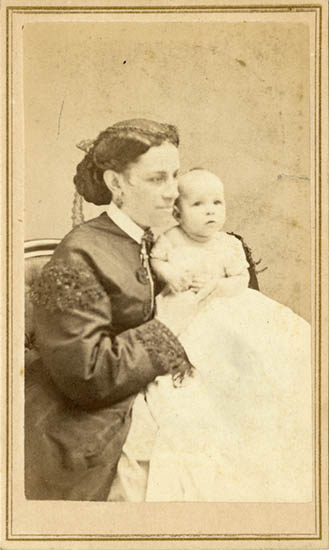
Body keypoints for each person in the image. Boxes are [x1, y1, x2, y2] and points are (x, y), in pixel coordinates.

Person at [25, 119, 213, 501]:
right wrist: (166, 327)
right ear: (116, 184)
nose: (173, 192)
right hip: (80, 419)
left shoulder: (141, 238)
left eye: (175, 176)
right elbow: (86, 375)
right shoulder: (78, 254)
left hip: (136, 385)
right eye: (156, 179)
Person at [111, 168, 312, 502]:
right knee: (195, 367)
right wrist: (171, 274)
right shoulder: (171, 239)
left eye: (217, 203)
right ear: (177, 212)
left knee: (264, 351)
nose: (210, 211)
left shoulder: (228, 244)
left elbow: (240, 281)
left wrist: (219, 286)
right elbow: (157, 263)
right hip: (185, 312)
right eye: (199, 204)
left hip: (226, 307)